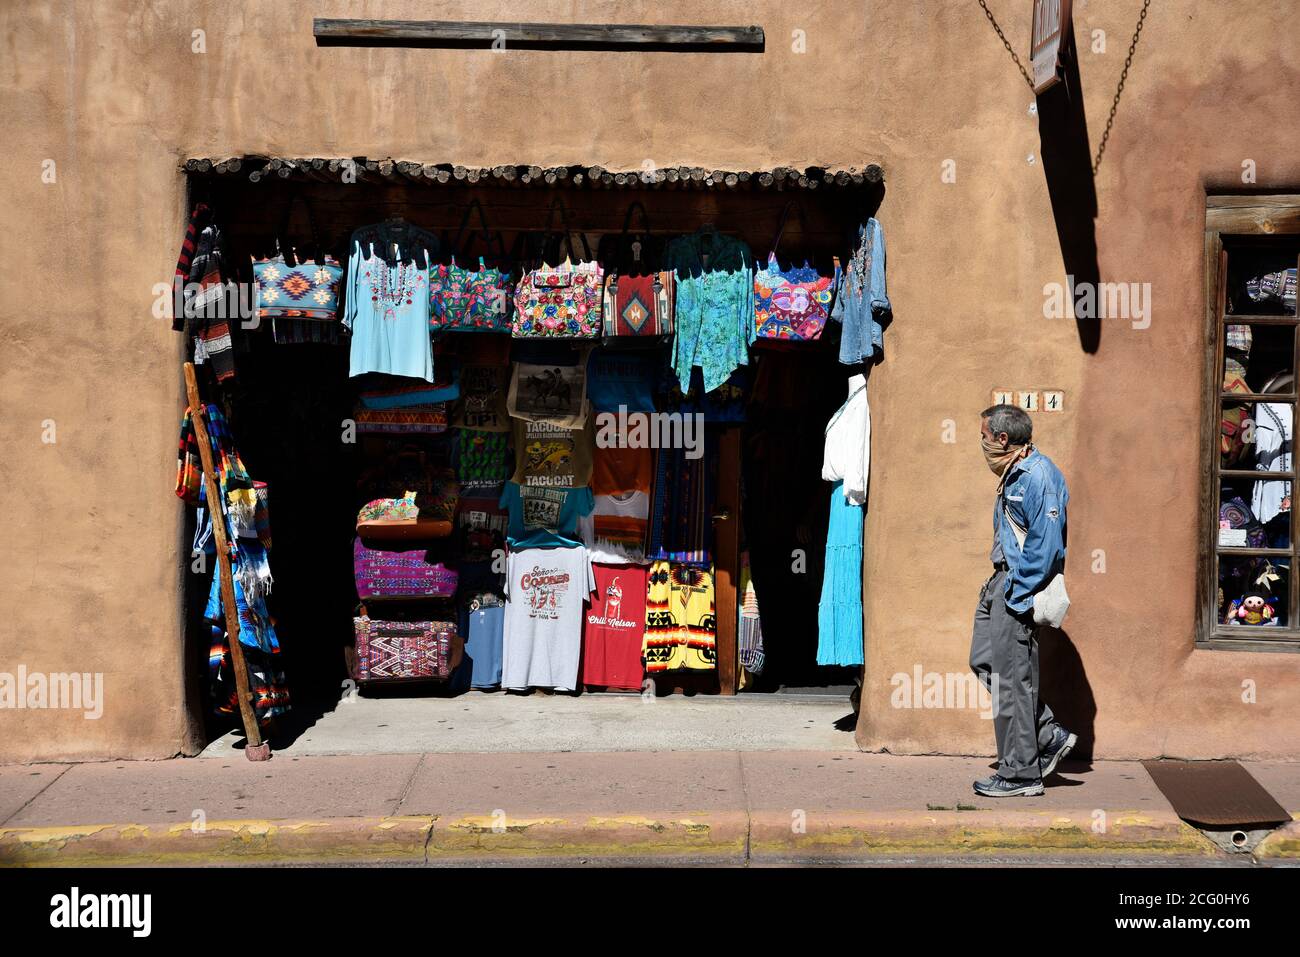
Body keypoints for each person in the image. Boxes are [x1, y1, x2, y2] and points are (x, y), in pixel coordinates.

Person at [969, 404, 1076, 797]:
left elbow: (1045, 547)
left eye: (984, 436)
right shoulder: (1012, 472)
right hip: (1000, 583)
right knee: (984, 661)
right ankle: (1046, 734)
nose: (981, 444)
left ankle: (1020, 774)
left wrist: (1016, 593)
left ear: (1001, 438)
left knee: (1012, 682)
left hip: (1018, 589)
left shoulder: (1040, 476)